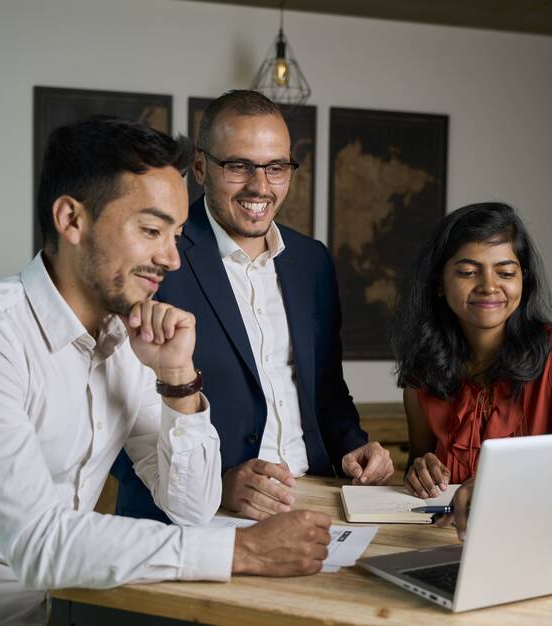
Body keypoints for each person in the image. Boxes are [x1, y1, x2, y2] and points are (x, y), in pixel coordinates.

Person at [0, 117, 331, 626]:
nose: (172, 259)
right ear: (71, 220)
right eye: (151, 230)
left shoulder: (128, 343)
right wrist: (244, 551)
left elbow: (190, 506)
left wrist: (177, 380)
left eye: (175, 234)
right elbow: (40, 544)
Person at [112, 90, 393, 523]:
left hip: (313, 499)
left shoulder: (312, 261)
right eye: (239, 166)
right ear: (201, 168)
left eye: (276, 167)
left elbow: (325, 390)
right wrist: (215, 485)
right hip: (196, 516)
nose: (260, 186)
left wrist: (353, 445)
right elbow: (111, 412)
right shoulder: (155, 256)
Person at [390, 202, 552, 538]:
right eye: (467, 272)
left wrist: (502, 483)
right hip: (447, 543)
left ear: (524, 281)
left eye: (505, 272)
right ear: (439, 283)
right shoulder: (422, 374)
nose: (489, 286)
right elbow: (423, 466)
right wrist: (419, 470)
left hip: (547, 540)